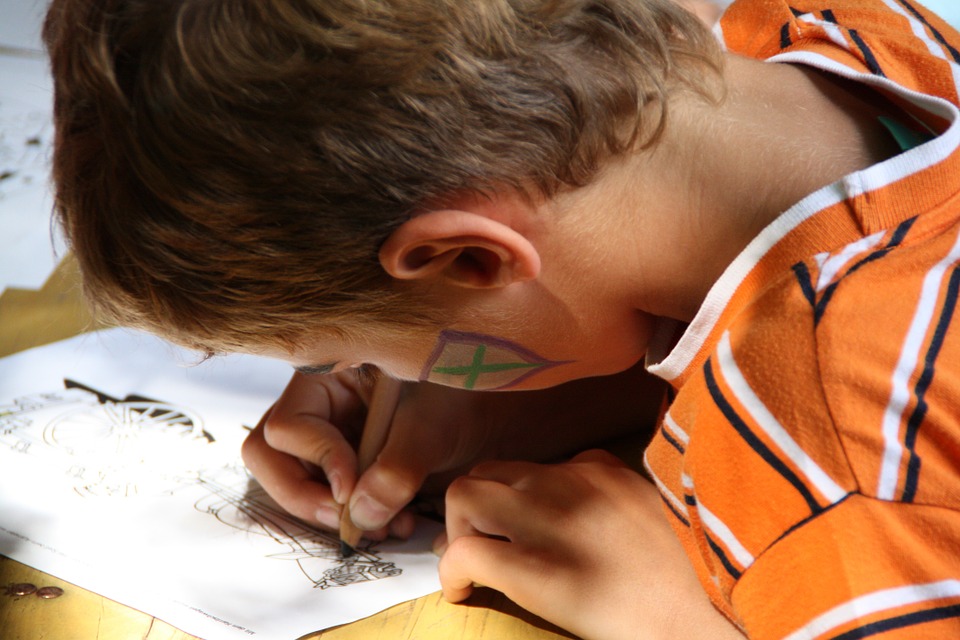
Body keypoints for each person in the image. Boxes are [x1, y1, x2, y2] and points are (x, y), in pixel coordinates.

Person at [42, 0, 960, 637]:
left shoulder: (841, 478)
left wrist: (668, 617)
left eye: (363, 352)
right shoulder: (845, 34)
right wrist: (566, 392)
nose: (392, 380)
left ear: (473, 260)